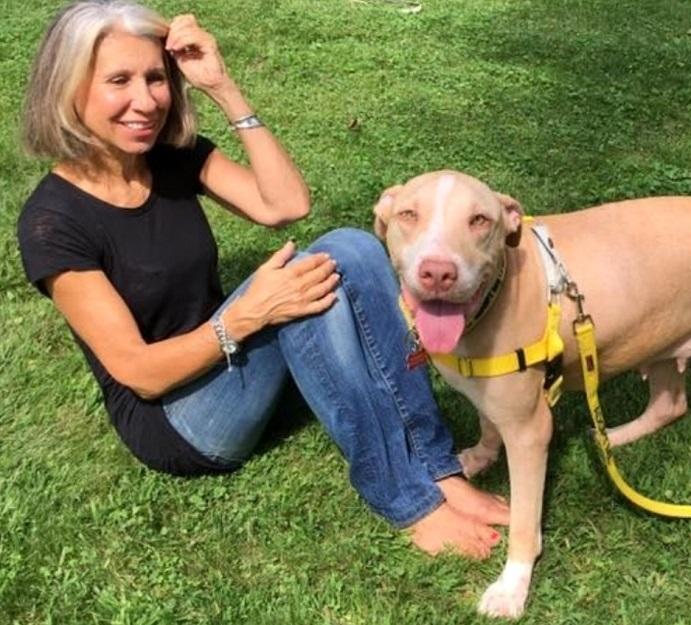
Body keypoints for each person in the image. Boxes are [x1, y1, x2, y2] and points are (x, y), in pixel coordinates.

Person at [16, 0, 507, 558]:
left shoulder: (167, 159)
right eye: (119, 81)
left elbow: (286, 205)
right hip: (176, 419)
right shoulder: (53, 223)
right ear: (69, 88)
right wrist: (248, 316)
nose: (147, 100)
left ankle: (439, 468)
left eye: (155, 77)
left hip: (230, 364)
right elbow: (139, 373)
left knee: (351, 246)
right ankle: (405, 498)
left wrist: (222, 87)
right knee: (299, 287)